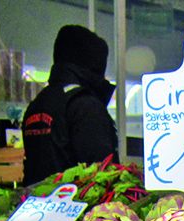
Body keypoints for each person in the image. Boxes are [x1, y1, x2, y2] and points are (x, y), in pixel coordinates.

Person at [21, 25, 117, 185]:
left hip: (39, 203)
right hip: (78, 205)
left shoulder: (38, 103)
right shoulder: (84, 105)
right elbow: (103, 176)